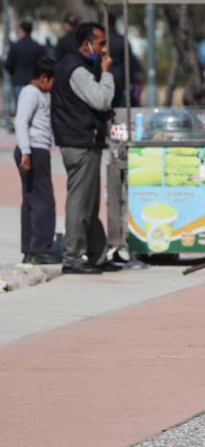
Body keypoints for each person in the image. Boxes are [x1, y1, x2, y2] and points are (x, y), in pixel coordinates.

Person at [52, 22, 119, 275]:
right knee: (80, 203)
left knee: (89, 204)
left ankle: (97, 255)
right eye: (100, 43)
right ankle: (73, 257)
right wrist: (107, 73)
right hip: (80, 143)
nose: (103, 50)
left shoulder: (76, 66)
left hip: (82, 141)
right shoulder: (77, 70)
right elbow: (101, 100)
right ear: (86, 44)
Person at [14, 58, 59, 265]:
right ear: (43, 78)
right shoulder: (31, 93)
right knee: (44, 201)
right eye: (51, 82)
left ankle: (30, 249)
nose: (52, 87)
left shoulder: (39, 94)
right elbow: (20, 121)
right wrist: (25, 152)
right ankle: (40, 248)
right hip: (33, 149)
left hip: (35, 149)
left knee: (32, 201)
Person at [5, 21, 47, 113]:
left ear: (22, 30)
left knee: (20, 110)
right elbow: (44, 64)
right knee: (33, 110)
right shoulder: (38, 47)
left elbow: (8, 64)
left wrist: (14, 73)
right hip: (34, 81)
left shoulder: (15, 47)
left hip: (18, 80)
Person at [106, 13, 142, 108]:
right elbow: (130, 62)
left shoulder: (102, 41)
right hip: (120, 77)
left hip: (106, 75)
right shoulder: (121, 40)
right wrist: (131, 80)